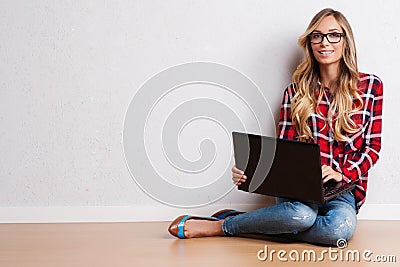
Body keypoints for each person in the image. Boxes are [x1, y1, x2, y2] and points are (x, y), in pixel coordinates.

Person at [168, 7, 383, 246]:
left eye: (334, 35)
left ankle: (243, 223)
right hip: (298, 189)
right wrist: (250, 173)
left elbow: (372, 148)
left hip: (343, 189)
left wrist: (342, 173)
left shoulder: (370, 86)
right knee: (300, 216)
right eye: (317, 36)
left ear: (346, 41)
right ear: (310, 42)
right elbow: (283, 151)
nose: (325, 42)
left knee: (337, 231)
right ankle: (220, 227)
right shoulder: (295, 92)